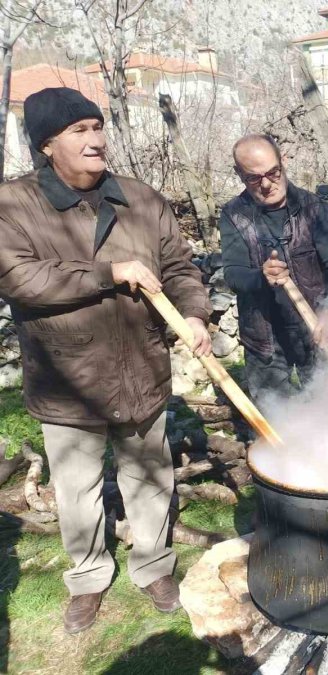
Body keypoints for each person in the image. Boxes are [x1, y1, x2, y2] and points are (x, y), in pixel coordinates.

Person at [0, 87, 212, 634]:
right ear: (48, 145)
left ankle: (153, 566)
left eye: (97, 127)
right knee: (77, 489)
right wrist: (109, 272)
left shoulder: (141, 199)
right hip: (68, 376)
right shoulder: (15, 204)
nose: (95, 139)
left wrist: (193, 315)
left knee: (149, 476)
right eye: (79, 131)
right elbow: (19, 277)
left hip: (141, 365)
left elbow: (181, 267)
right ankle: (89, 577)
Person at [218, 135, 328, 409]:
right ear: (238, 174)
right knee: (277, 417)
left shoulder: (312, 207)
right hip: (264, 338)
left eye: (272, 173)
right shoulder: (234, 214)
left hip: (315, 329)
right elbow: (233, 274)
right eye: (253, 178)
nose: (266, 184)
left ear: (283, 163)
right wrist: (261, 277)